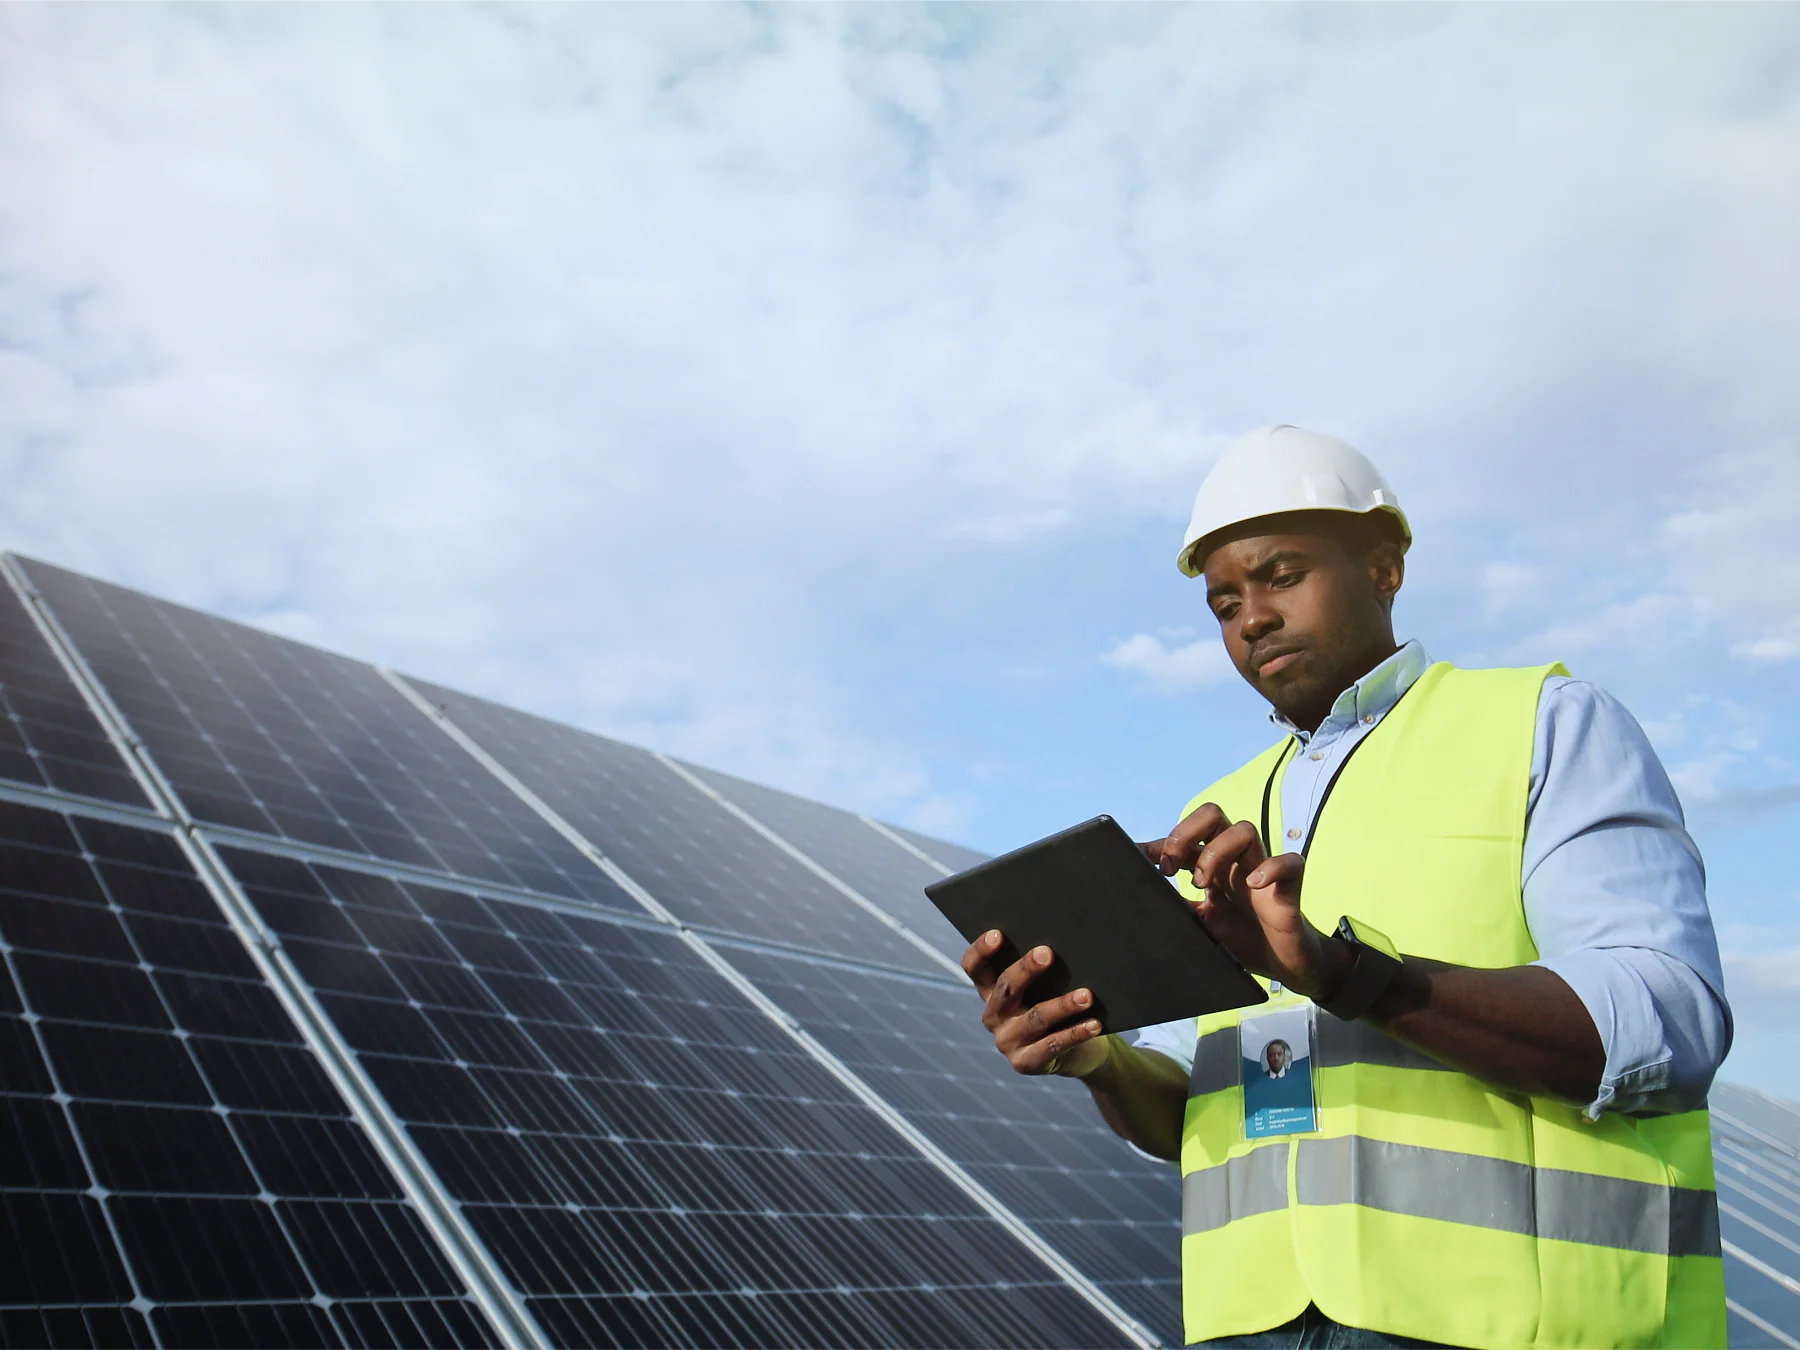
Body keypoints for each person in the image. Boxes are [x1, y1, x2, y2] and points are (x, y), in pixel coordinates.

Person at [962, 425, 1731, 1349]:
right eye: (1222, 603)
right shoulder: (1221, 810)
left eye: (1281, 575)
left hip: (1524, 1328)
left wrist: (1348, 974)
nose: (1250, 618)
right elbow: (1195, 1114)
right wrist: (1096, 1055)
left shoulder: (1542, 725)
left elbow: (1666, 1021)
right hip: (1258, 1328)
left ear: (1385, 567)